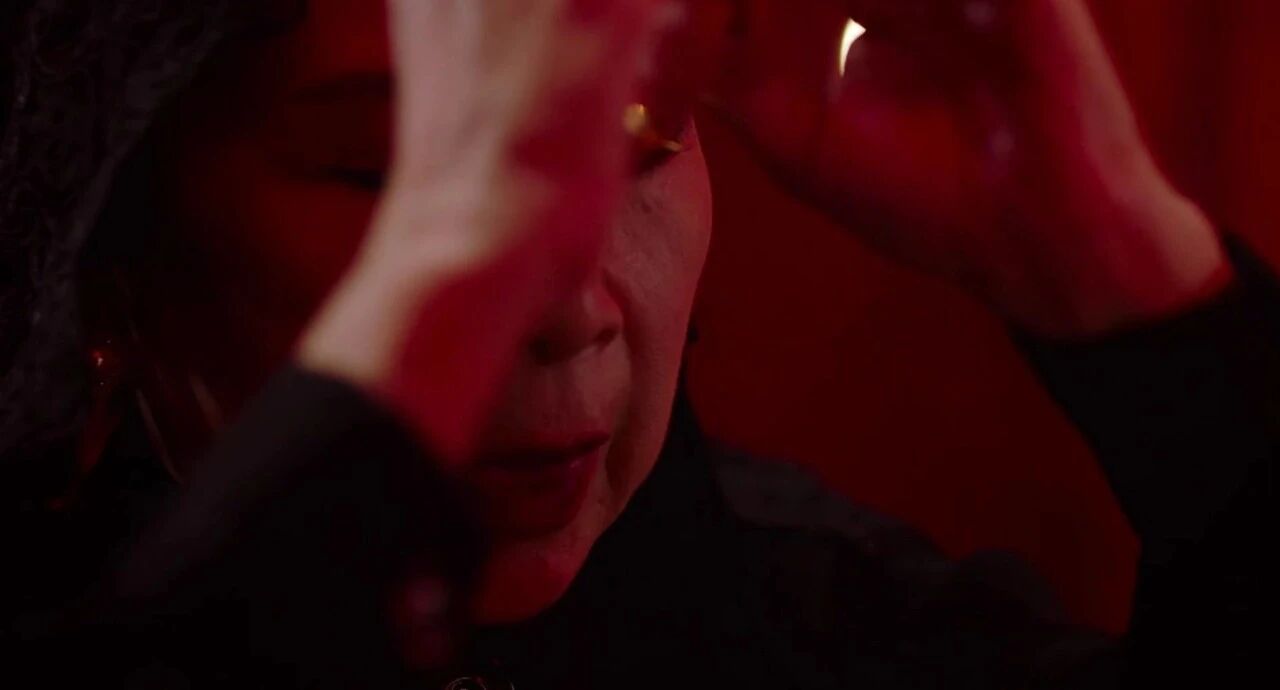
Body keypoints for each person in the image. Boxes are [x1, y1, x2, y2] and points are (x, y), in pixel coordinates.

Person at [0, 0, 1272, 687]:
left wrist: (1130, 276)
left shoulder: (843, 631)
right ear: (108, 261)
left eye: (643, 135)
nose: (573, 310)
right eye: (396, 172)